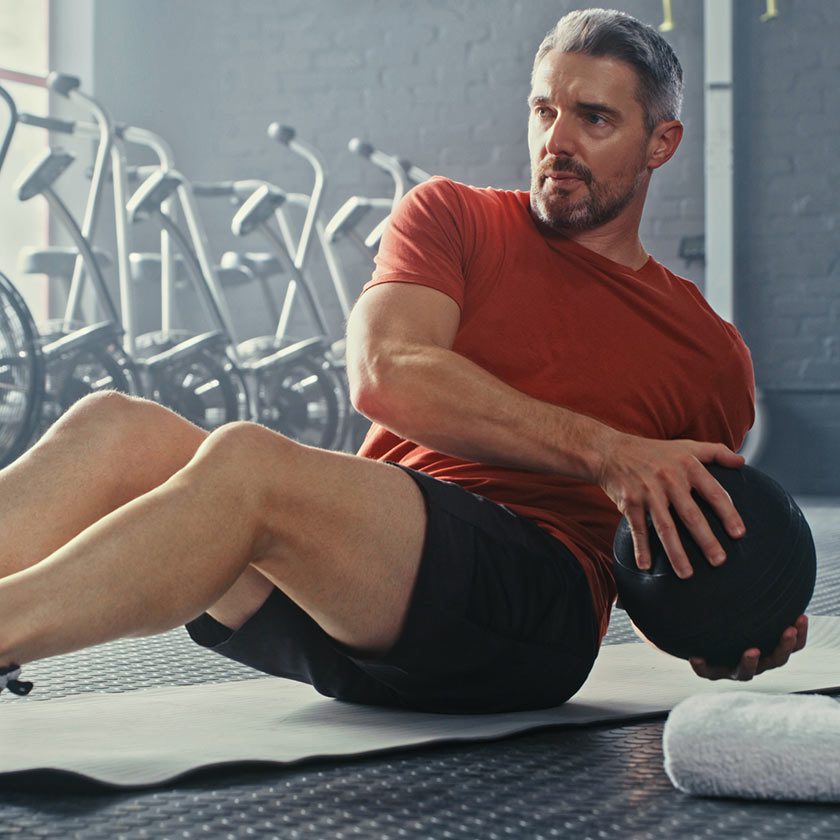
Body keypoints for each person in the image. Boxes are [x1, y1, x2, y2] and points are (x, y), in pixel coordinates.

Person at [0, 8, 808, 710]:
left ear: (661, 142)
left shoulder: (706, 354)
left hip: (532, 613)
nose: (557, 141)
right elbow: (386, 371)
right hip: (353, 591)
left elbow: (687, 551)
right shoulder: (453, 217)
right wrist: (605, 448)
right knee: (115, 427)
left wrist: (727, 626)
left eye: (594, 119)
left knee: (249, 463)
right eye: (544, 111)